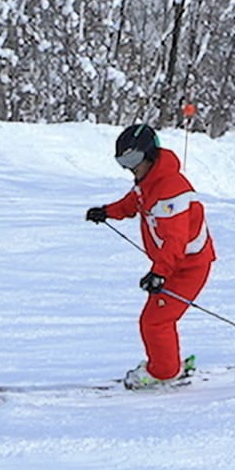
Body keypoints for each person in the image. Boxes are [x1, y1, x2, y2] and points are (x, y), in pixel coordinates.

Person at [86, 124, 215, 389]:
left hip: (189, 267)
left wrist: (159, 272)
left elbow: (175, 241)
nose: (129, 168)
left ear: (150, 155)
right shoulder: (149, 182)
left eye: (133, 160)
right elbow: (132, 203)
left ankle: (165, 372)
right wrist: (107, 212)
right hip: (173, 265)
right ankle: (168, 363)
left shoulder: (171, 190)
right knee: (158, 318)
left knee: (156, 321)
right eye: (123, 162)